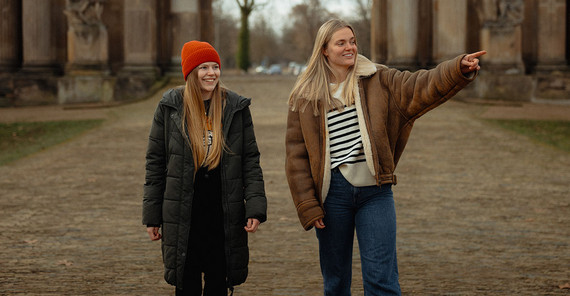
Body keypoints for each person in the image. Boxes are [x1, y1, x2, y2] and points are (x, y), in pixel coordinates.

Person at [285, 19, 485, 296]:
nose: (349, 47)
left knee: (382, 281)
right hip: (332, 197)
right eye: (341, 43)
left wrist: (456, 68)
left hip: (375, 192)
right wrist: (308, 204)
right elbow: (296, 155)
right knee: (336, 283)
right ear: (324, 51)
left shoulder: (379, 78)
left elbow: (421, 83)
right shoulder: (304, 95)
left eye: (352, 41)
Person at [142, 40, 267, 296]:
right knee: (186, 282)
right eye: (203, 68)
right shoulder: (170, 107)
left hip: (223, 210)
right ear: (190, 73)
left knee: (217, 282)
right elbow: (155, 164)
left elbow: (250, 162)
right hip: (182, 210)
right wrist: (152, 216)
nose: (211, 73)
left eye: (215, 66)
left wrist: (254, 207)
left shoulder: (236, 107)